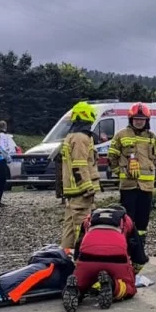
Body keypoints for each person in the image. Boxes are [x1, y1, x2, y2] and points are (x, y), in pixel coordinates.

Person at [62, 205, 150, 312]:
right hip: (116, 259)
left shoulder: (89, 219)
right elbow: (138, 254)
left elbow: (79, 246)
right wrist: (133, 271)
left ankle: (75, 290)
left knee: (81, 282)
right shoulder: (126, 219)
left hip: (88, 258)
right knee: (129, 288)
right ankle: (112, 285)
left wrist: (78, 266)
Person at [107, 103, 156, 257]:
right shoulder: (121, 135)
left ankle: (140, 251)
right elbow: (112, 157)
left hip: (147, 187)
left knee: (143, 221)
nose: (139, 121)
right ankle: (126, 250)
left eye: (142, 119)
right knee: (128, 220)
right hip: (129, 186)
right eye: (136, 119)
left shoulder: (152, 138)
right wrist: (120, 173)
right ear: (131, 119)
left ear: (147, 120)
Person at [59, 101, 101, 251]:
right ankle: (82, 257)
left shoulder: (72, 136)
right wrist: (87, 187)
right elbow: (80, 164)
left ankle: (65, 256)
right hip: (81, 192)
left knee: (70, 228)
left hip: (73, 190)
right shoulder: (81, 138)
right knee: (82, 226)